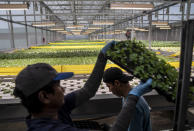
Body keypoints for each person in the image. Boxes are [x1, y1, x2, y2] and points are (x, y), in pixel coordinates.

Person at [13, 41, 153, 131]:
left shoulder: (54, 109)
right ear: (44, 96)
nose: (63, 89)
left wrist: (102, 57)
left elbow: (88, 90)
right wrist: (133, 96)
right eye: (58, 86)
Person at [103, 67, 152, 131]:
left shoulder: (134, 107)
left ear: (117, 83)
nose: (109, 90)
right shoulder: (129, 97)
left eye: (109, 86)